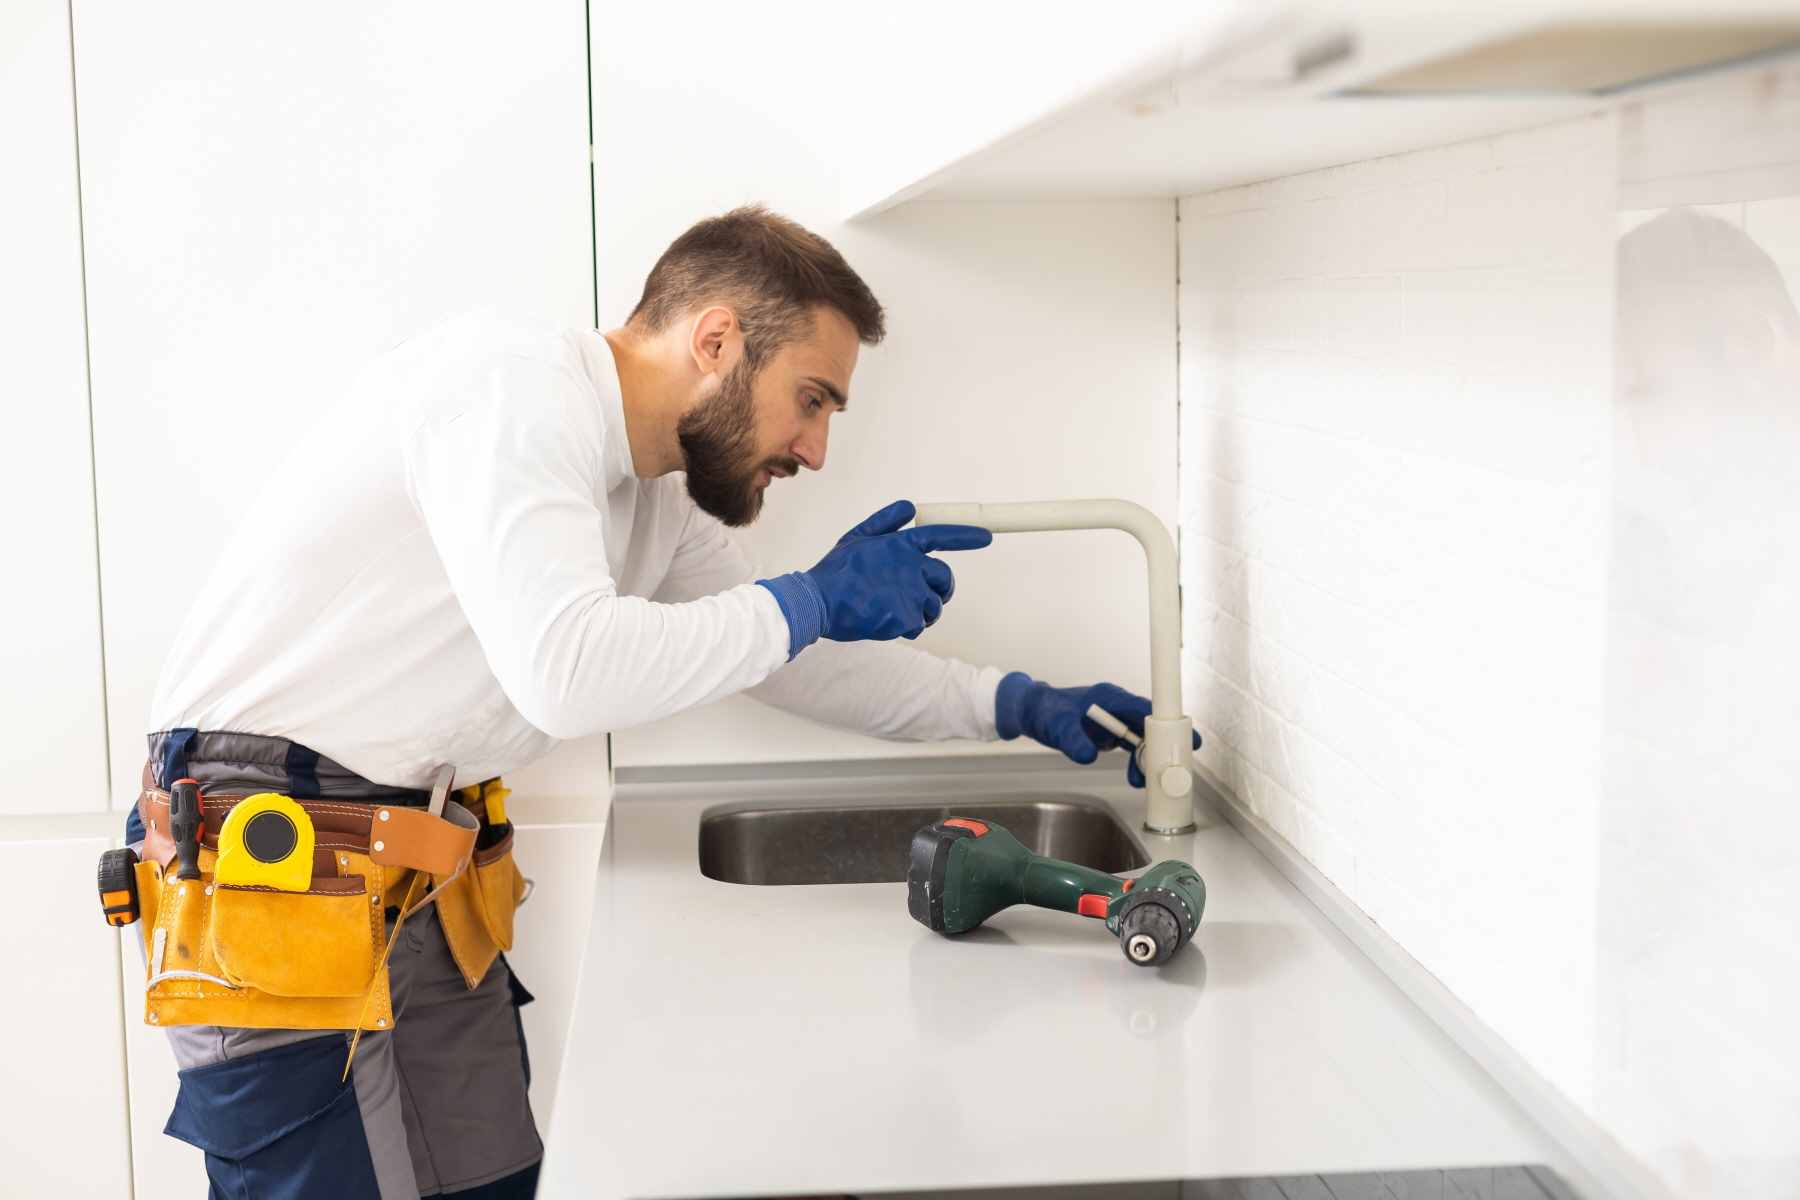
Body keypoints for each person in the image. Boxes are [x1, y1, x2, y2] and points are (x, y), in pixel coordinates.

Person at [130, 206, 1181, 1200]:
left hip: (413, 867)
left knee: (496, 1183)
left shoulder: (653, 498)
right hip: (273, 860)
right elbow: (567, 669)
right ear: (717, 341)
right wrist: (808, 595)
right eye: (813, 397)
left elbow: (785, 656)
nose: (816, 449)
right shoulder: (512, 393)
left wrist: (1017, 703)